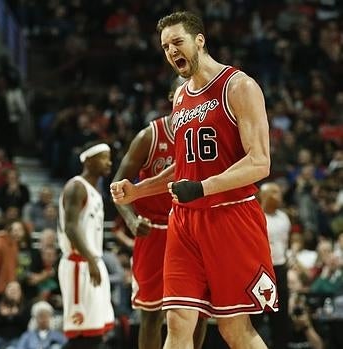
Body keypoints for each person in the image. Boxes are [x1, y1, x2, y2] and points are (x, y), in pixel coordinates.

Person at [111, 11, 276, 349]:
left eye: (177, 42)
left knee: (233, 330)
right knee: (177, 322)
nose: (171, 51)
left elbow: (260, 162)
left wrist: (201, 188)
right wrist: (138, 190)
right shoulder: (181, 97)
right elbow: (184, 168)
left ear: (199, 40)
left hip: (229, 215)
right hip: (185, 221)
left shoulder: (238, 86)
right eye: (165, 46)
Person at [113, 80, 207, 349]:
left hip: (192, 230)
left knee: (197, 312)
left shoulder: (204, 133)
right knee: (151, 315)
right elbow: (119, 186)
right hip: (155, 230)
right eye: (186, 90)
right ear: (171, 96)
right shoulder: (150, 135)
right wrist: (132, 221)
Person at [58, 141, 114, 349]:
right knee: (82, 335)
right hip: (79, 263)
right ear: (89, 160)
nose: (109, 162)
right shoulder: (76, 187)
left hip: (91, 261)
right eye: (104, 157)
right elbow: (71, 228)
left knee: (97, 333)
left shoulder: (93, 191)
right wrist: (90, 260)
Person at [253, 182, 291, 349]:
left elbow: (284, 243)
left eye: (279, 191)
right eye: (274, 192)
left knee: (281, 316)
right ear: (264, 195)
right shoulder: (256, 216)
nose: (279, 195)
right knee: (257, 316)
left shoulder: (284, 217)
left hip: (280, 269)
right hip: (260, 271)